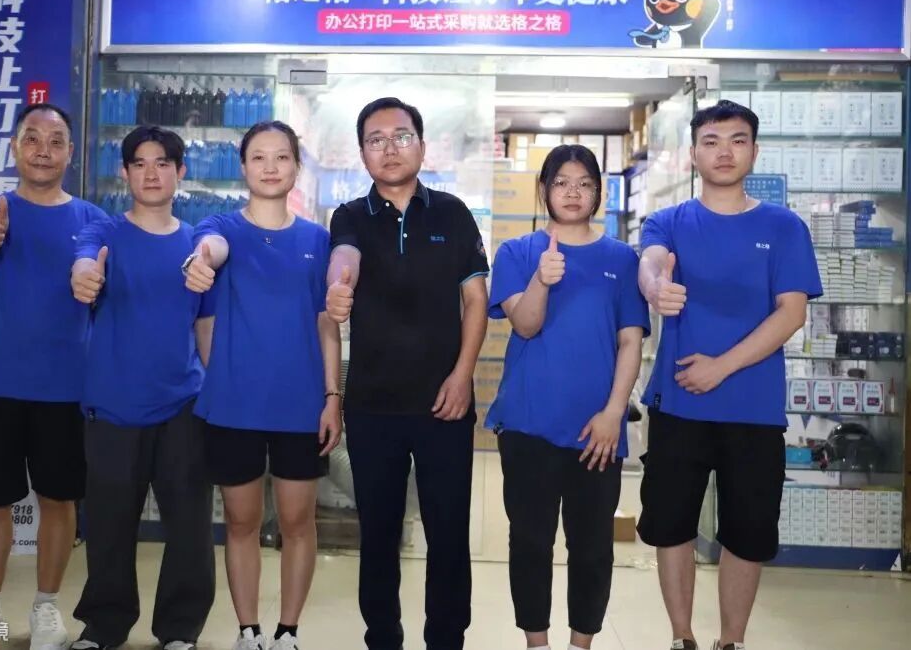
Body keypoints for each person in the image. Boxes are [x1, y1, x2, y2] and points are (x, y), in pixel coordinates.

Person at [636, 100, 822, 650]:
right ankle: (682, 637)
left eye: (737, 140)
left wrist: (721, 367)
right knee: (671, 524)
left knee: (748, 531)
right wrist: (655, 287)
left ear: (754, 152)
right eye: (711, 141)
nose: (724, 152)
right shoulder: (669, 220)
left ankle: (731, 640)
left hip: (753, 409)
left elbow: (791, 312)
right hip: (679, 405)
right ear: (693, 154)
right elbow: (650, 261)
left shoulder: (783, 227)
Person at [0, 103, 108, 650]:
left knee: (59, 500)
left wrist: (89, 273)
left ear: (70, 153)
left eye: (55, 141)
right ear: (14, 147)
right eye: (32, 138)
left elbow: (94, 262)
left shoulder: (92, 219)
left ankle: (46, 609)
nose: (43, 150)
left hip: (66, 389)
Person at [325, 97, 489, 650]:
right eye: (376, 139)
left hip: (446, 402)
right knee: (378, 534)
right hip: (372, 406)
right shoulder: (351, 215)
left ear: (421, 145)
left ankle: (446, 639)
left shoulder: (452, 213)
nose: (389, 149)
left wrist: (463, 375)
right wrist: (338, 286)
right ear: (363, 152)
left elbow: (475, 300)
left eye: (401, 136)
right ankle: (383, 637)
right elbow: (344, 258)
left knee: (449, 533)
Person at [183, 121, 342, 650]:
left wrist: (332, 397)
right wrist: (201, 259)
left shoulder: (318, 240)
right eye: (258, 157)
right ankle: (248, 630)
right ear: (243, 166)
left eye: (281, 157)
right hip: (234, 407)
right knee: (241, 520)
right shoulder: (221, 227)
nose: (270, 167)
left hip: (300, 405)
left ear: (296, 166)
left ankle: (288, 630)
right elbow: (209, 250)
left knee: (297, 521)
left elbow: (326, 323)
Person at [486, 145, 649, 650]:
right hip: (528, 423)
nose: (573, 193)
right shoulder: (517, 253)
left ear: (600, 193)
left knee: (593, 547)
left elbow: (630, 341)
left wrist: (614, 413)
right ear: (545, 190)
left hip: (597, 431)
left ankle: (582, 644)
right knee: (530, 542)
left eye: (584, 183)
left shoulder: (621, 259)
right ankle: (537, 643)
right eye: (561, 182)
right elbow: (526, 325)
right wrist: (542, 278)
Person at [68, 126, 216, 650]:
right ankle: (104, 627)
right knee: (109, 527)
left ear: (180, 172)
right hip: (112, 406)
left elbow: (205, 326)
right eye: (139, 163)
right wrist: (85, 277)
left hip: (183, 406)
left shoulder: (198, 246)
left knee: (190, 528)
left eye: (162, 163)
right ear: (125, 172)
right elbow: (84, 262)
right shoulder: (104, 233)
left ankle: (180, 629)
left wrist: (217, 394)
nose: (151, 173)